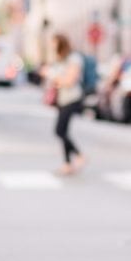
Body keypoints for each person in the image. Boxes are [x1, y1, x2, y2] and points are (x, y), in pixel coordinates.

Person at [45, 34, 86, 176]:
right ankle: (68, 164)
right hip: (62, 99)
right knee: (63, 131)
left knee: (59, 130)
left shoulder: (74, 59)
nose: (52, 46)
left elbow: (69, 81)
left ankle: (79, 155)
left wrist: (52, 76)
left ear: (61, 43)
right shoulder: (60, 59)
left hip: (72, 99)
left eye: (54, 43)